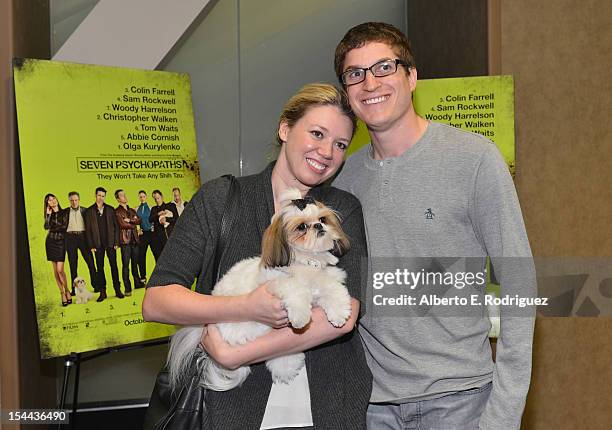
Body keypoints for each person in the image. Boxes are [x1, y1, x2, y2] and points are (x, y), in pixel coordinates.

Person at [332, 22, 536, 430]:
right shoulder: (340, 180)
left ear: (411, 77)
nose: (370, 82)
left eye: (384, 67)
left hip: (461, 403)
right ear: (347, 92)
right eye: (356, 73)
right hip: (371, 407)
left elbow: (519, 281)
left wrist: (505, 411)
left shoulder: (474, 158)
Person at [142, 83, 372, 430]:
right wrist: (245, 306)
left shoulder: (341, 210)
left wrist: (237, 354)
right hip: (230, 407)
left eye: (340, 144)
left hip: (328, 406)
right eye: (317, 133)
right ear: (285, 129)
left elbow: (344, 314)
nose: (327, 151)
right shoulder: (221, 199)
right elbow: (157, 301)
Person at [84, 187, 122, 302]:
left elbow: (116, 227)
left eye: (103, 196)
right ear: (95, 195)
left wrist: (116, 242)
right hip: (97, 245)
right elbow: (88, 230)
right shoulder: (89, 211)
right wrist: (91, 245)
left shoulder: (110, 209)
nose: (101, 198)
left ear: (105, 197)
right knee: (100, 268)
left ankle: (117, 289)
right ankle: (103, 292)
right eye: (99, 195)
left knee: (114, 267)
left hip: (110, 243)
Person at [63, 191, 97, 295]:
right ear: (69, 200)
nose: (74, 202)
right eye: (72, 200)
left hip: (83, 238)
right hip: (70, 238)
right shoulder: (64, 212)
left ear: (79, 200)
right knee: (73, 265)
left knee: (91, 262)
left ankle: (96, 286)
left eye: (76, 200)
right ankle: (74, 289)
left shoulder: (85, 211)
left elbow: (91, 227)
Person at [115, 189, 143, 296]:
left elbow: (139, 220)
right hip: (125, 241)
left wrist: (130, 220)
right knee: (126, 265)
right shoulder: (117, 211)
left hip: (135, 240)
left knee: (135, 263)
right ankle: (127, 288)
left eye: (124, 194)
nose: (125, 196)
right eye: (122, 195)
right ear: (118, 199)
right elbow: (122, 224)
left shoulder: (131, 210)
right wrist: (133, 223)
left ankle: (137, 283)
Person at [44, 193, 70, 306]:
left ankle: (67, 289)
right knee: (55, 271)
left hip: (61, 242)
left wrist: (53, 227)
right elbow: (46, 227)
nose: (53, 201)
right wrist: (48, 215)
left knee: (60, 270)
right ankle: (62, 293)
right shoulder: (48, 214)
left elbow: (64, 226)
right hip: (50, 243)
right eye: (50, 200)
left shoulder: (65, 212)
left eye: (54, 198)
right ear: (47, 204)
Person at [148, 190, 179, 260]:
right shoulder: (154, 209)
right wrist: (158, 214)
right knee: (158, 259)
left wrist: (166, 219)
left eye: (158, 198)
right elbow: (150, 219)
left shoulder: (170, 206)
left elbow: (176, 219)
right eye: (155, 199)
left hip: (168, 236)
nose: (156, 200)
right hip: (157, 238)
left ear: (162, 197)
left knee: (170, 258)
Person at [136, 190, 153, 284]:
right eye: (140, 197)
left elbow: (154, 219)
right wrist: (137, 229)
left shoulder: (151, 207)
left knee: (157, 254)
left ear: (146, 197)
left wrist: (153, 228)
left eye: (143, 196)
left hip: (151, 233)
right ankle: (143, 276)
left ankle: (159, 275)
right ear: (139, 197)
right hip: (143, 235)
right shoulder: (136, 208)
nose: (142, 198)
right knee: (141, 256)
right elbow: (134, 221)